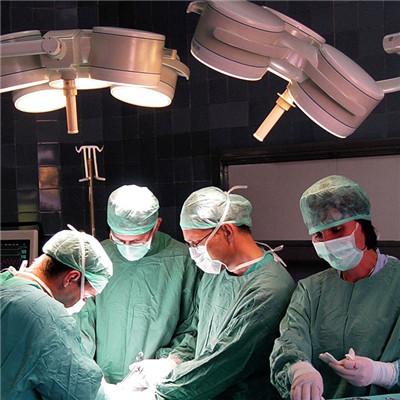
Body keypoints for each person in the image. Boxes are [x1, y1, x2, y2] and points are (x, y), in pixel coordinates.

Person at [125, 186, 296, 399]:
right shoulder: (215, 274)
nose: (193, 252)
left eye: (196, 243)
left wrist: (159, 390)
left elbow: (223, 363)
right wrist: (173, 361)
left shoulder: (269, 290)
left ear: (226, 231)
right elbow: (198, 332)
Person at [270, 175, 400, 400]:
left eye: (337, 229)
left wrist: (384, 373)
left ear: (363, 227)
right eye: (318, 235)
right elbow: (290, 340)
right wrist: (299, 370)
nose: (328, 241)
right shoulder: (310, 291)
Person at [76, 184, 200, 384]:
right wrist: (88, 374)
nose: (127, 247)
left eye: (136, 241)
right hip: (101, 380)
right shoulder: (97, 257)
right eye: (119, 240)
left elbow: (191, 325)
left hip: (156, 383)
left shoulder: (182, 260)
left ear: (156, 225)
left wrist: (167, 363)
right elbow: (82, 322)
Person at [0, 229, 113, 400]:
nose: (82, 302)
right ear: (71, 278)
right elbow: (82, 393)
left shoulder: (6, 282)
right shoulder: (47, 317)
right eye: (86, 296)